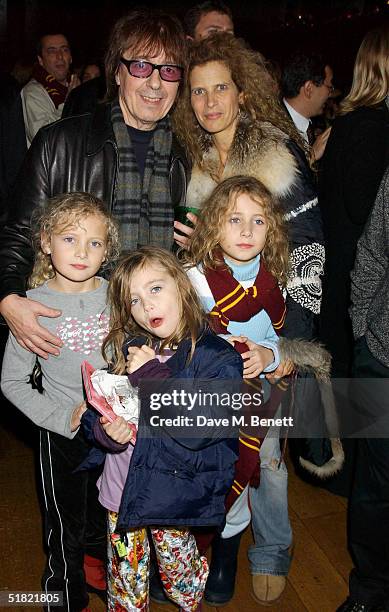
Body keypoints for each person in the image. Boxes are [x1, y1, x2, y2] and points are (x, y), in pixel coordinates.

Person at [172, 33, 325, 606]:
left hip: (273, 332)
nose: (210, 102)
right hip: (220, 342)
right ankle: (225, 545)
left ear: (243, 93)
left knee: (273, 458)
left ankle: (273, 550)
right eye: (199, 91)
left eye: (221, 89)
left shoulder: (277, 156)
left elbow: (308, 253)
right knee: (224, 447)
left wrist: (289, 348)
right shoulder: (198, 164)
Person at [0, 9, 189, 360]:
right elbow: (15, 234)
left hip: (155, 342)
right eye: (142, 66)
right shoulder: (59, 143)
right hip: (70, 337)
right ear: (118, 71)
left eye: (169, 70)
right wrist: (9, 299)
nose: (155, 83)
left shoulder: (184, 159)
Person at [81, 246, 243, 611]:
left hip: (171, 494)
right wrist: (106, 432)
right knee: (124, 585)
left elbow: (201, 428)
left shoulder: (217, 358)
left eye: (155, 289)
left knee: (179, 577)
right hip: (120, 491)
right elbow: (100, 408)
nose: (146, 306)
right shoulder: (132, 346)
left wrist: (152, 376)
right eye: (134, 300)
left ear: (182, 286)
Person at [1, 193, 120, 612]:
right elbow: (13, 382)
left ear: (108, 250)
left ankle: (110, 582)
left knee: (108, 519)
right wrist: (62, 417)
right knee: (64, 525)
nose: (82, 252)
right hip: (61, 435)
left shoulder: (117, 296)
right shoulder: (34, 306)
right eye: (70, 239)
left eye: (94, 242)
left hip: (115, 434)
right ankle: (63, 598)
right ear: (46, 242)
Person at [319, 26, 389, 379]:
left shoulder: (350, 122)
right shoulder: (374, 126)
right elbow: (365, 208)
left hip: (345, 280)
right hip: (359, 285)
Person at [336, 166, 389, 612]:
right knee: (374, 489)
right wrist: (363, 334)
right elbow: (372, 254)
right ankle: (370, 592)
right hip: (382, 358)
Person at [21, 33, 80, 146]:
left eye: (64, 50)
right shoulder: (32, 92)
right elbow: (43, 139)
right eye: (52, 51)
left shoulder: (77, 87)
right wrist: (69, 101)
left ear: (71, 58)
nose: (60, 56)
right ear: (41, 60)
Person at [281, 52, 334, 163]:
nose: (330, 94)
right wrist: (311, 157)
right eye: (329, 87)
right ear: (309, 89)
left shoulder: (314, 128)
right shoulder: (273, 128)